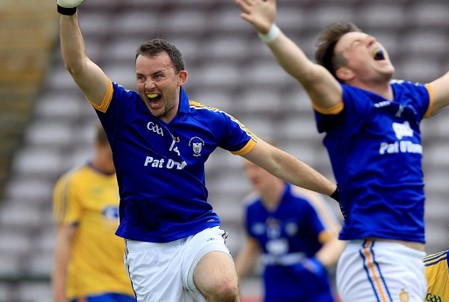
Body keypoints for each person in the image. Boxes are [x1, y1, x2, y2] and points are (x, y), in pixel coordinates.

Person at [235, 1, 449, 301]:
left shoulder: (406, 98)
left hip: (408, 257)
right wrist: (270, 31)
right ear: (344, 73)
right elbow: (308, 73)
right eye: (356, 44)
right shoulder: (347, 104)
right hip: (375, 252)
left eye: (369, 37)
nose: (370, 39)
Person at [56, 1, 339, 301]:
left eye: (157, 76)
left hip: (196, 232)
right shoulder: (122, 109)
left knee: (225, 287)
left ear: (181, 78)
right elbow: (78, 65)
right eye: (141, 77)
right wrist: (67, 9)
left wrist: (335, 191)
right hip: (147, 248)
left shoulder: (210, 121)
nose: (148, 85)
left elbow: (273, 159)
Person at [236, 158, 345, 302]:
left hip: (312, 293)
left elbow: (335, 241)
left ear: (272, 167)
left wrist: (317, 263)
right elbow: (252, 245)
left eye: (256, 167)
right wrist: (233, 281)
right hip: (275, 294)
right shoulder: (251, 207)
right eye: (247, 168)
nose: (251, 174)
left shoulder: (304, 200)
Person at [51, 124, 136, 302]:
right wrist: (59, 295)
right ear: (98, 147)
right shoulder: (74, 183)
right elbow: (64, 240)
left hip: (128, 287)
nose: (116, 160)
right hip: (90, 288)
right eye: (111, 155)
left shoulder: (129, 184)